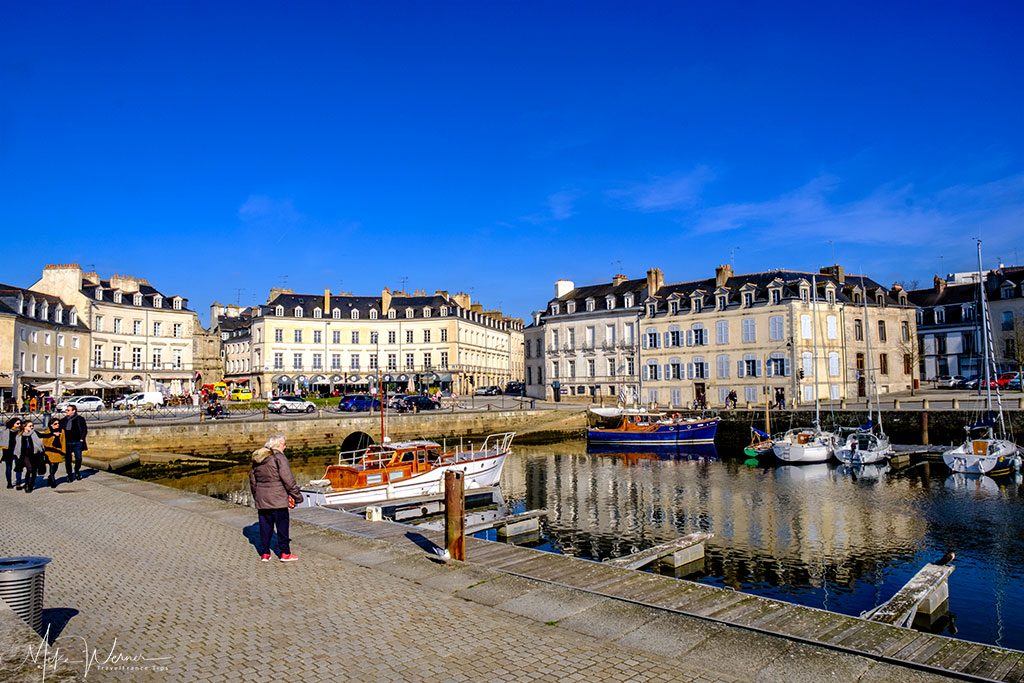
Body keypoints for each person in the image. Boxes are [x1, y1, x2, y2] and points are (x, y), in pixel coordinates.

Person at [249, 434, 303, 562]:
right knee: (282, 527)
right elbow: (288, 479)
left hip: (263, 499)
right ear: (278, 445)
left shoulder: (258, 458)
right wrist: (297, 496)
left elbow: (252, 480)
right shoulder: (279, 458)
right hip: (278, 499)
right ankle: (285, 553)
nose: (285, 446)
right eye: (284, 444)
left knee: (265, 527)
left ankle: (265, 553)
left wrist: (257, 495)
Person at [13, 421, 44, 493]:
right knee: (29, 468)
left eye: (32, 426)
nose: (32, 427)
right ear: (25, 427)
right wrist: (17, 455)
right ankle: (27, 484)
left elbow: (39, 443)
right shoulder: (19, 436)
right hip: (24, 455)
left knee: (34, 470)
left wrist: (41, 450)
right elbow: (17, 446)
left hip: (34, 453)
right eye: (30, 426)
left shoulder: (34, 433)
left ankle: (32, 483)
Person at [60, 404, 88, 481]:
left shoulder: (80, 419)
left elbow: (84, 429)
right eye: (66, 410)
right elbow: (60, 430)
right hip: (67, 442)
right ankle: (69, 475)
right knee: (68, 460)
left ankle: (77, 471)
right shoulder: (63, 420)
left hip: (77, 442)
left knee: (78, 458)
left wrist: (82, 438)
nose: (66, 411)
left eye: (68, 410)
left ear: (74, 411)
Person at [42, 417, 66, 488]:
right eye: (55, 424)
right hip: (50, 451)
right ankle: (52, 479)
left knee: (56, 465)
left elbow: (63, 442)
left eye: (58, 423)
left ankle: (50, 476)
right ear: (51, 425)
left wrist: (63, 452)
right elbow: (44, 442)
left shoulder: (62, 431)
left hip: (58, 451)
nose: (57, 425)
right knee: (52, 465)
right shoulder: (48, 432)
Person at [2, 416, 22, 489]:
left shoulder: (20, 432)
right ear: (13, 424)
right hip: (8, 452)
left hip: (18, 452)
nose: (19, 425)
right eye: (17, 423)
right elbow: (3, 443)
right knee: (8, 468)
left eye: (20, 423)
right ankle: (9, 483)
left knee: (18, 468)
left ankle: (18, 483)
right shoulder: (5, 432)